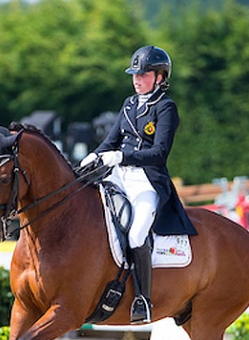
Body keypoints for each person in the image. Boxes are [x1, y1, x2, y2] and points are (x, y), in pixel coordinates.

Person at [81, 45, 198, 324]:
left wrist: (122, 155)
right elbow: (110, 140)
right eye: (134, 74)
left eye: (143, 74)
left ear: (159, 77)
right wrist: (94, 156)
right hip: (118, 176)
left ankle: (142, 299)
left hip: (147, 180)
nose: (136, 79)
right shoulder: (129, 104)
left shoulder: (166, 108)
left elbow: (159, 153)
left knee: (136, 235)